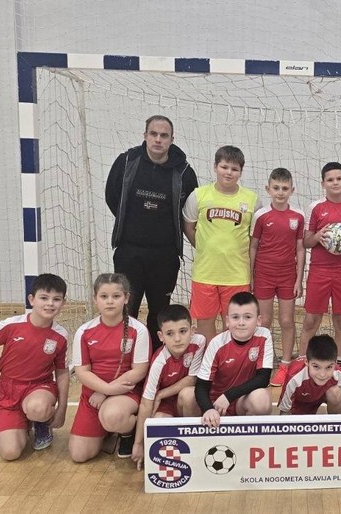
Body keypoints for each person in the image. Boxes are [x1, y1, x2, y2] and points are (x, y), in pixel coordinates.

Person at [105, 115, 198, 353]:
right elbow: (112, 197)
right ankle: (125, 358)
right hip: (129, 251)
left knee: (159, 311)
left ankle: (156, 360)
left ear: (172, 139)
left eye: (164, 135)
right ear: (145, 136)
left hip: (165, 255)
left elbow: (190, 210)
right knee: (127, 308)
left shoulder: (184, 172)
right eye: (153, 134)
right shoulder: (126, 162)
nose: (158, 139)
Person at [0, 273, 70, 460]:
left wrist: (62, 409)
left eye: (56, 299)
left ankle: (41, 422)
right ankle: (23, 422)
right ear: (31, 300)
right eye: (44, 298)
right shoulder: (11, 325)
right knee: (10, 453)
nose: (50, 304)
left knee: (37, 407)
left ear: (63, 303)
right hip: (8, 391)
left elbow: (62, 372)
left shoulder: (60, 335)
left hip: (39, 387)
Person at [68, 273, 150, 463]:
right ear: (95, 299)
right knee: (79, 455)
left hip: (126, 392)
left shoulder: (138, 330)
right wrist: (104, 389)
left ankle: (128, 430)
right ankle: (107, 429)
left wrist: (106, 392)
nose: (110, 301)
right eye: (104, 296)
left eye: (116, 296)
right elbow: (82, 372)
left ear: (126, 298)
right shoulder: (84, 331)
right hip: (93, 396)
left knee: (112, 416)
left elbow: (139, 371)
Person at [183, 145, 261, 343]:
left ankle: (231, 360)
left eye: (234, 169)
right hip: (205, 273)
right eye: (224, 167)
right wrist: (205, 248)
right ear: (215, 167)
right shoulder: (198, 195)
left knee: (236, 325)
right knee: (205, 325)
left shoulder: (252, 200)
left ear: (241, 172)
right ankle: (210, 360)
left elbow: (255, 239)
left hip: (237, 275)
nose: (229, 172)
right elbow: (189, 227)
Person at [299, 162, 341, 381]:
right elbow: (306, 241)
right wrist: (318, 236)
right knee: (311, 320)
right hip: (320, 271)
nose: (335, 183)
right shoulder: (316, 208)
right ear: (323, 184)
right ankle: (303, 365)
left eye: (339, 179)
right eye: (330, 180)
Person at [178, 292, 273, 427]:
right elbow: (201, 385)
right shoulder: (217, 343)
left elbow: (263, 378)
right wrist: (208, 409)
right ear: (227, 321)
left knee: (261, 399)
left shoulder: (264, 335)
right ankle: (197, 435)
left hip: (240, 401)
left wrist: (228, 396)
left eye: (247, 317)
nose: (241, 323)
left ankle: (246, 437)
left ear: (258, 320)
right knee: (187, 395)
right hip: (215, 403)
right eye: (235, 317)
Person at [131, 304, 206, 469]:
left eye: (183, 331)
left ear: (192, 330)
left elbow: (193, 378)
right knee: (158, 422)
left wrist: (161, 394)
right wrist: (139, 443)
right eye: (170, 333)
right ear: (161, 336)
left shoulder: (199, 342)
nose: (177, 339)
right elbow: (146, 403)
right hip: (165, 406)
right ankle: (176, 457)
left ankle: (196, 447)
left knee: (190, 394)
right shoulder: (159, 361)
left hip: (183, 400)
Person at [250, 167, 306, 387]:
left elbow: (300, 249)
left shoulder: (298, 216)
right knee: (264, 321)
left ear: (292, 190)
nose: (280, 192)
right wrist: (251, 276)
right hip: (264, 275)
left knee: (286, 321)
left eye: (284, 188)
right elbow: (253, 246)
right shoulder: (261, 215)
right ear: (268, 189)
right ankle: (263, 364)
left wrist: (298, 280)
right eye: (276, 188)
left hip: (287, 276)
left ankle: (285, 365)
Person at [278, 335, 341, 415]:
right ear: (306, 362)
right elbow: (284, 412)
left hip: (322, 396)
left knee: (335, 392)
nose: (322, 374)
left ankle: (334, 421)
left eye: (328, 367)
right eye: (316, 367)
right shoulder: (294, 376)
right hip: (299, 405)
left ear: (335, 363)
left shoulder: (338, 373)